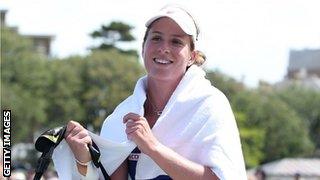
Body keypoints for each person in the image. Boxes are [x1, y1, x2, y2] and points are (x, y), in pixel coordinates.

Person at [55, 4, 247, 180]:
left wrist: (152, 147)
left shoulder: (210, 105)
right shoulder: (120, 116)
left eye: (176, 42)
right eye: (156, 38)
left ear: (192, 56)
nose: (164, 48)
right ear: (143, 48)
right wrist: (84, 160)